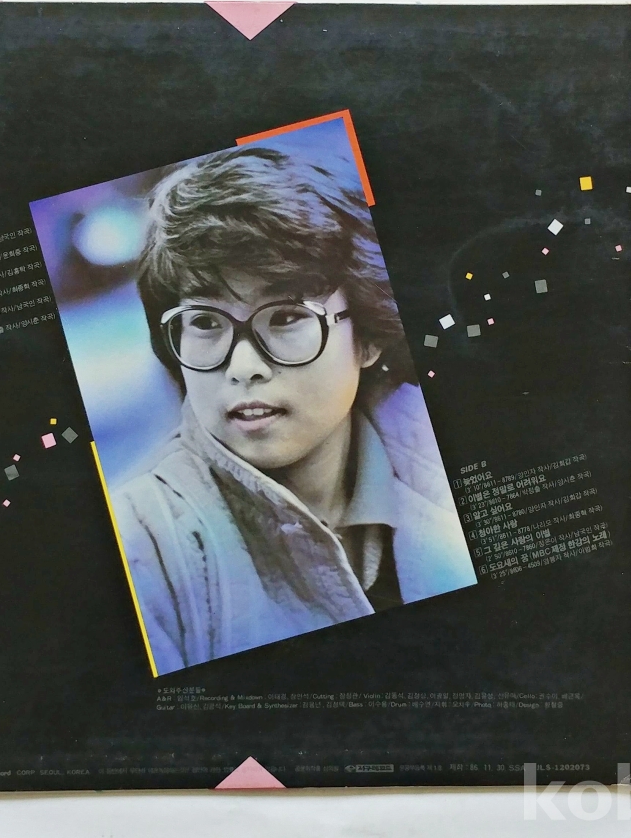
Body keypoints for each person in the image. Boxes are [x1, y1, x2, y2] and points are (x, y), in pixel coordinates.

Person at [112, 144, 476, 675]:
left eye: (285, 317)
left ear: (368, 336)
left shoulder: (453, 456)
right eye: (206, 322)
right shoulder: (142, 547)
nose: (243, 367)